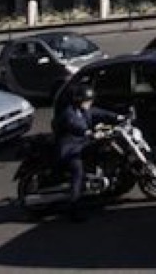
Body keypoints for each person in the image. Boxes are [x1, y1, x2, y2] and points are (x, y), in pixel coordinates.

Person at [53, 84, 123, 221]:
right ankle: (73, 209)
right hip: (70, 149)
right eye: (87, 100)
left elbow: (99, 112)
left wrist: (117, 117)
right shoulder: (69, 113)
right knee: (78, 171)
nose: (90, 103)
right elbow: (75, 125)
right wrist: (89, 133)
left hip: (82, 144)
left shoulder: (84, 110)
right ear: (79, 101)